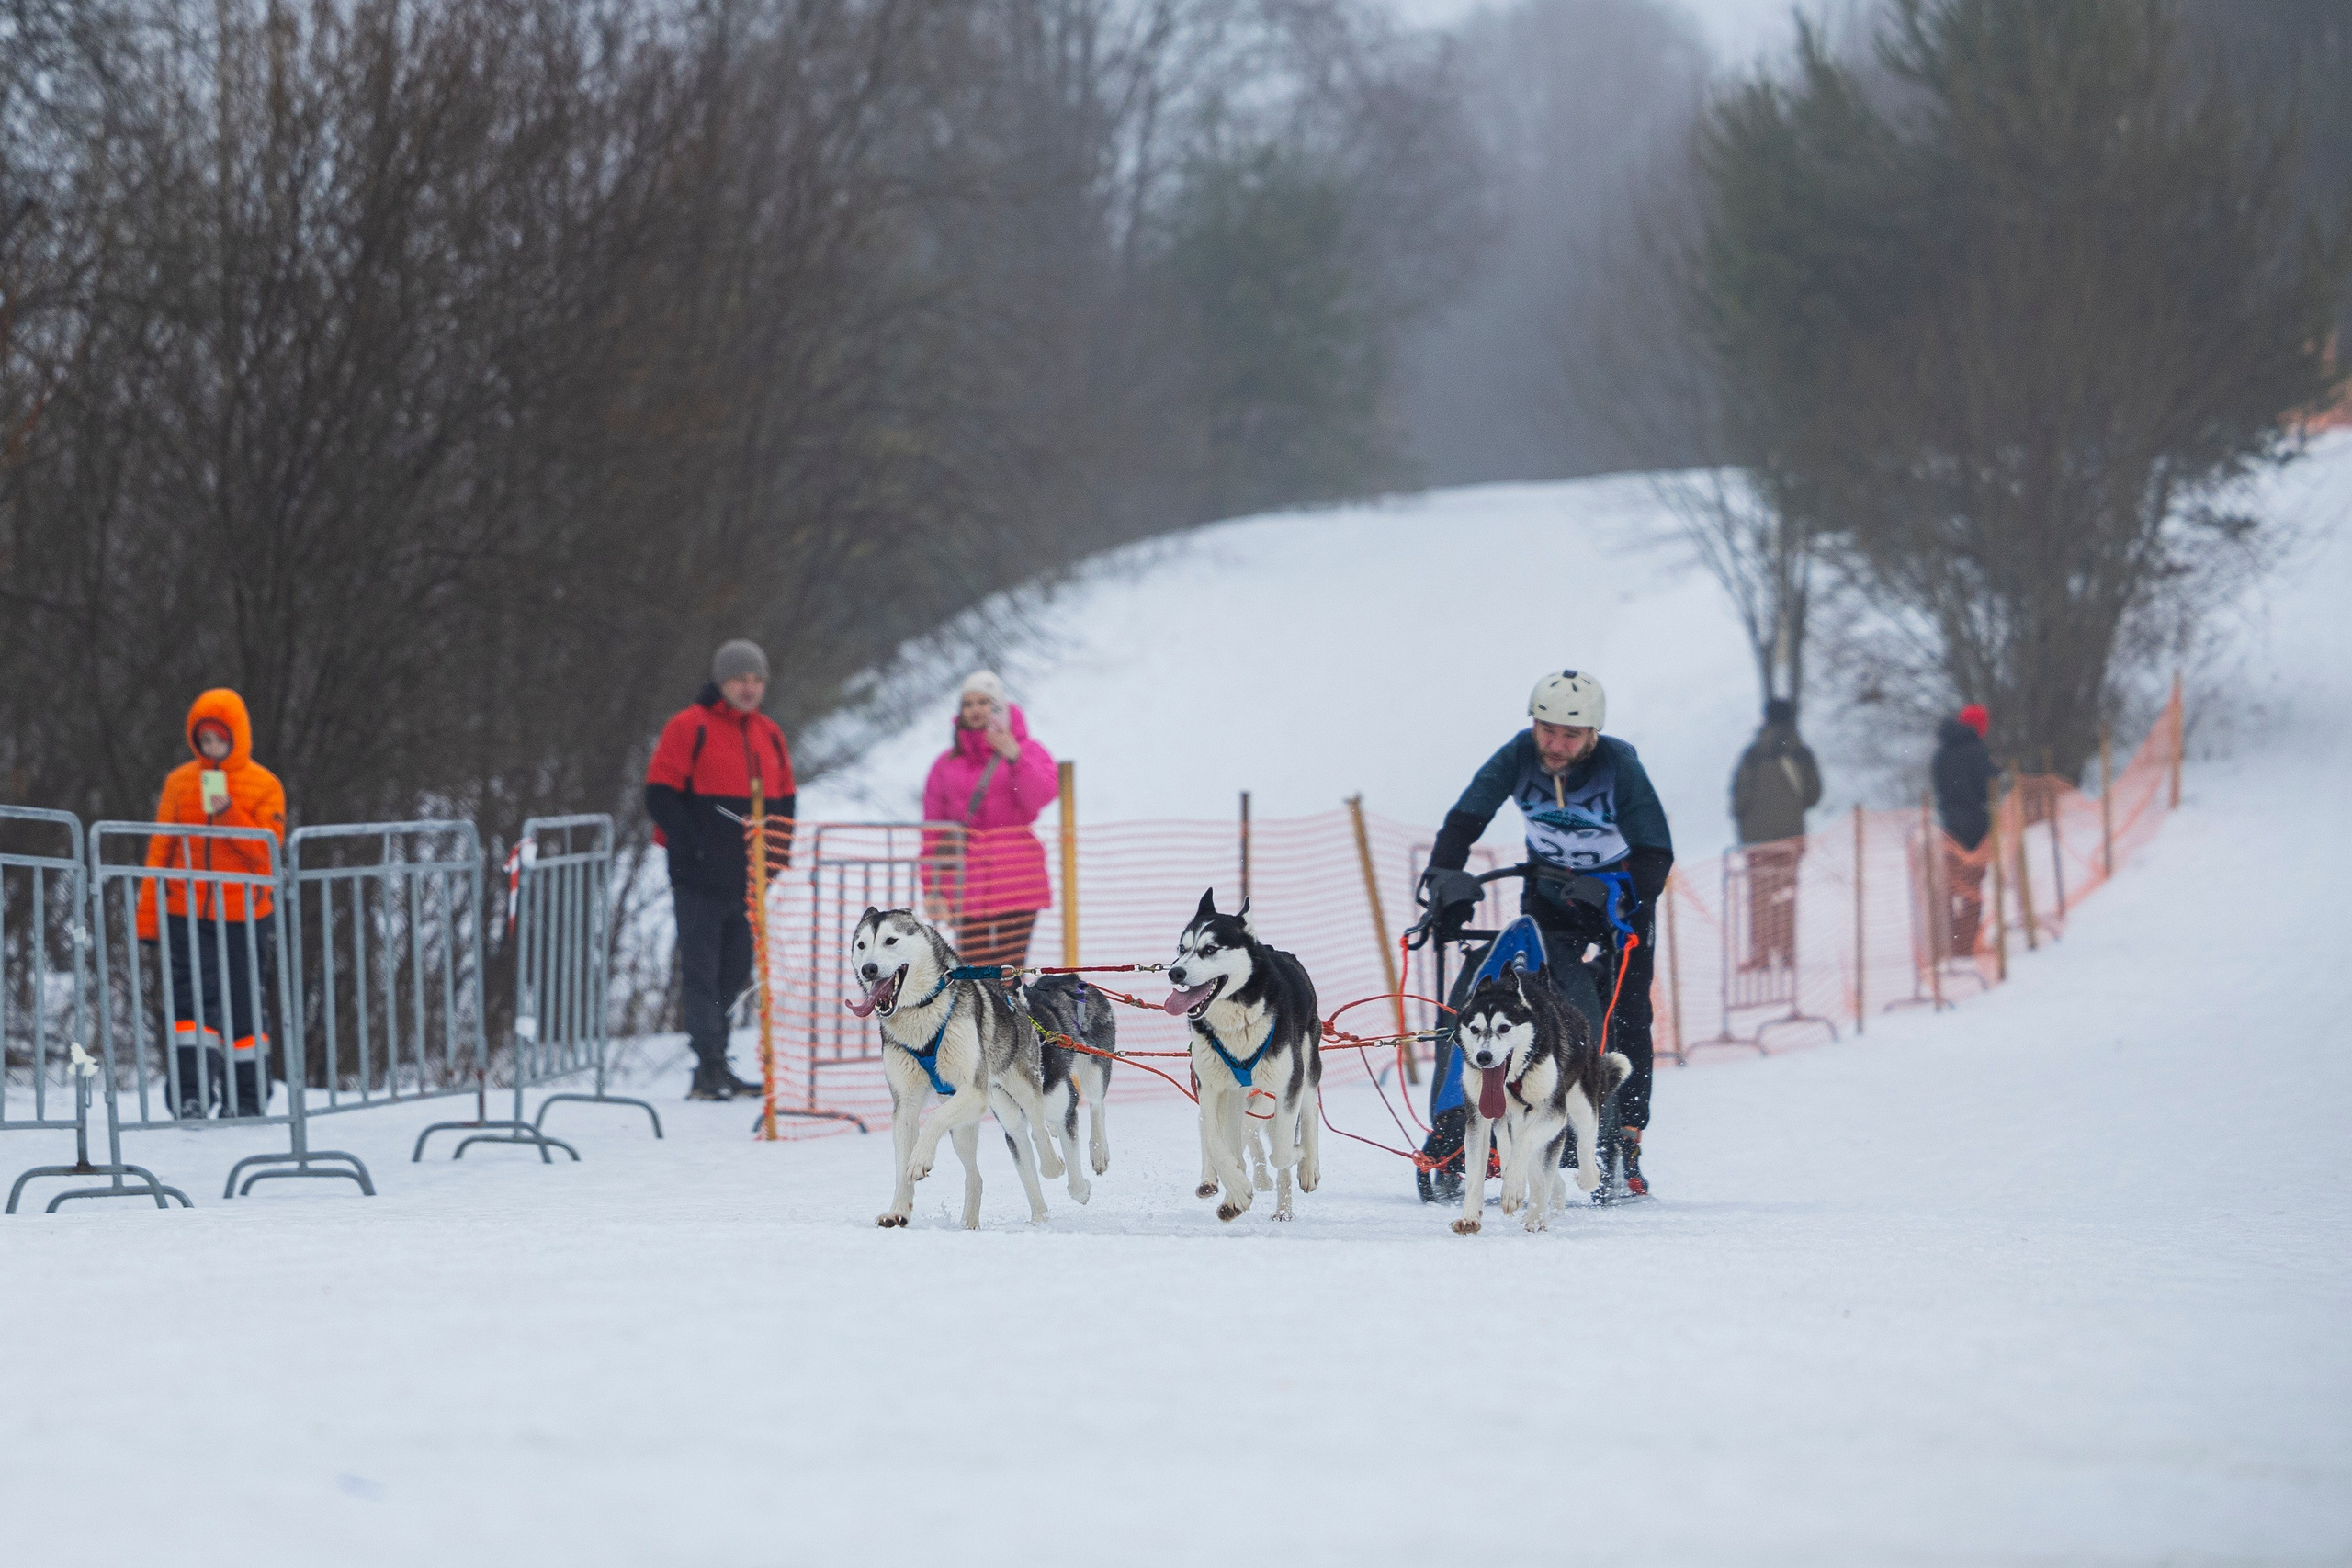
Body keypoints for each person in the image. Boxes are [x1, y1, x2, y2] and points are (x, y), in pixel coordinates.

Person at [1424, 669, 1674, 1198]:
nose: (1556, 745)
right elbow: (1464, 820)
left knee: (1630, 1009)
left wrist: (1617, 893)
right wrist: (1446, 878)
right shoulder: (1519, 754)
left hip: (1617, 894)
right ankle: (1504, 1115)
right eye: (1547, 730)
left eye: (1571, 735)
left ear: (1593, 735)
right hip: (1548, 891)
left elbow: (1656, 855)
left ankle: (1625, 1136)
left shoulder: (1618, 766)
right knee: (1529, 994)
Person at [645, 639, 796, 1101]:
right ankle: (707, 1064)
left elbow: (786, 801)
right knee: (702, 972)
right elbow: (660, 795)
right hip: (698, 878)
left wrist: (777, 856)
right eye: (739, 679)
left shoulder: (769, 733)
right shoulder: (689, 727)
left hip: (748, 879)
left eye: (756, 680)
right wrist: (696, 846)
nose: (749, 688)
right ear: (720, 682)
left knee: (734, 972)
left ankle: (721, 1062)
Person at [136, 689, 286, 1120]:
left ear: (237, 737)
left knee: (245, 1006)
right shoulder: (179, 782)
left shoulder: (265, 785)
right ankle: (192, 1096)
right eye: (205, 740)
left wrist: (228, 813)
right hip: (186, 911)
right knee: (190, 1009)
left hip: (245, 915)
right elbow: (160, 849)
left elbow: (268, 854)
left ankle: (248, 1099)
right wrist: (148, 920)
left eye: (220, 739)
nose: (212, 747)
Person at [921, 671, 1058, 973]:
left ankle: (1011, 1003)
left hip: (1017, 878)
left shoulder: (1028, 750)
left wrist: (1015, 757)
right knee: (974, 974)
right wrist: (932, 889)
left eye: (984, 702)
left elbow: (1041, 796)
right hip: (966, 881)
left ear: (1000, 707)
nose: (975, 709)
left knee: (1010, 971)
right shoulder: (945, 765)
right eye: (968, 703)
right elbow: (933, 834)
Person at [1729, 696, 1823, 971]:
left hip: (1757, 839)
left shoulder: (1753, 754)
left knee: (1759, 896)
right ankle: (1786, 952)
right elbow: (1814, 795)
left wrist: (1748, 818)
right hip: (1791, 837)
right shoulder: (1801, 753)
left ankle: (1760, 954)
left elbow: (1739, 797)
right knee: (1786, 893)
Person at [1931, 703, 1996, 958]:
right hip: (1975, 826)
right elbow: (1986, 787)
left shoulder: (1942, 753)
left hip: (1949, 825)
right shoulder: (1976, 751)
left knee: (1953, 886)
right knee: (1973, 885)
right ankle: (1967, 944)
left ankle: (1954, 940)